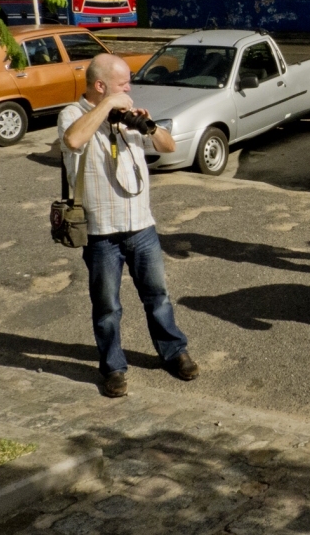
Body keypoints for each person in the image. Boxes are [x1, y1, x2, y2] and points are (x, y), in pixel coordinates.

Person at [58, 53, 198, 398]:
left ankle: (173, 352)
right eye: (123, 84)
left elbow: (168, 146)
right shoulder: (73, 115)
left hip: (142, 228)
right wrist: (107, 108)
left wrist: (147, 126)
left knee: (158, 297)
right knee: (107, 307)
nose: (129, 88)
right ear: (101, 86)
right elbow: (74, 141)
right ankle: (114, 368)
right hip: (101, 233)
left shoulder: (126, 120)